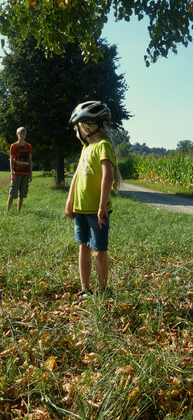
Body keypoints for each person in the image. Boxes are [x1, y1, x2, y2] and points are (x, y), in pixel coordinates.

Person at [64, 101, 119, 298]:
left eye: (76, 127)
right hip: (81, 210)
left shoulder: (103, 146)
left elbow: (108, 176)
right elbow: (77, 177)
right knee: (84, 248)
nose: (76, 132)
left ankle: (103, 290)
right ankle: (85, 288)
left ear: (87, 126)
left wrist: (102, 205)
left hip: (98, 211)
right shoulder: (85, 149)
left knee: (99, 252)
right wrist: (70, 201)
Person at [7, 127, 34, 212]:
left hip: (25, 173)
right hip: (16, 173)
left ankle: (18, 211)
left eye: (23, 134)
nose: (22, 136)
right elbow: (11, 159)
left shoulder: (28, 146)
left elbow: (30, 160)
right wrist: (12, 173)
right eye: (20, 134)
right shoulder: (13, 146)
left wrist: (30, 173)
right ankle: (7, 210)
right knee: (12, 193)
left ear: (25, 135)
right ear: (17, 135)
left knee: (22, 194)